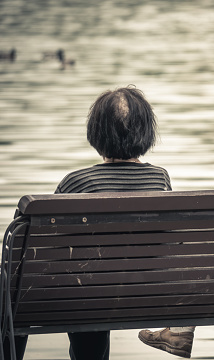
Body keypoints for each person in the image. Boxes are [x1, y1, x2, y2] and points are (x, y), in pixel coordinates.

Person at [4, 85, 172, 360]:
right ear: (146, 133)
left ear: (96, 133)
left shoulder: (77, 183)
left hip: (85, 298)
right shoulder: (160, 180)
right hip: (142, 294)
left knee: (16, 286)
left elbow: (30, 248)